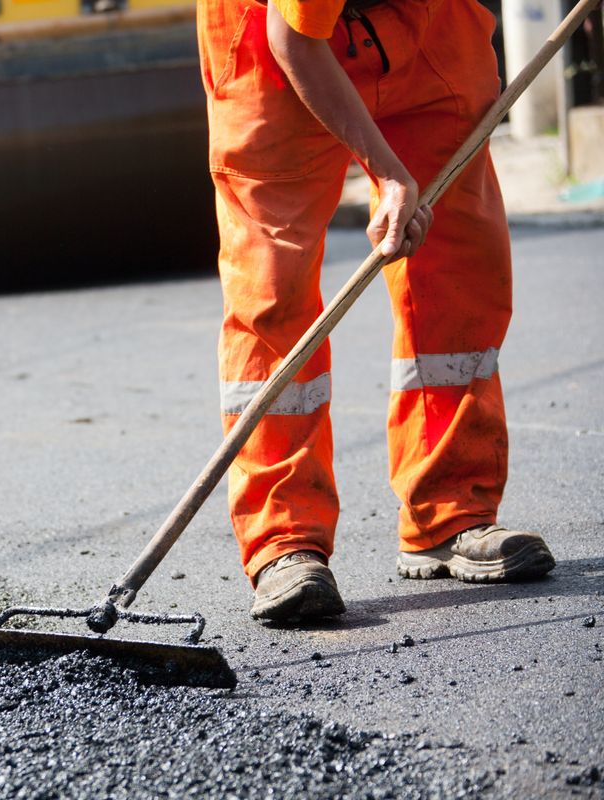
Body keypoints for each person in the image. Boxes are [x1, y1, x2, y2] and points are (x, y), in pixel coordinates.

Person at [197, 0, 555, 622]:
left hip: (429, 27)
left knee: (459, 269)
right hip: (271, 41)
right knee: (273, 291)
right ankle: (285, 541)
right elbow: (294, 38)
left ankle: (450, 511)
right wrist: (386, 174)